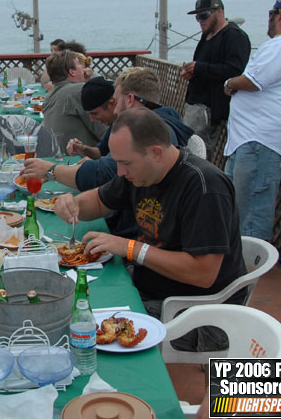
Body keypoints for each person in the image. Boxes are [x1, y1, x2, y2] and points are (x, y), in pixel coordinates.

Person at [54, 107, 246, 351]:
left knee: (80, 330)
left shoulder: (204, 187)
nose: (120, 172)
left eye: (125, 163)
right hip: (149, 287)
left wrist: (131, 248)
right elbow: (101, 202)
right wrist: (73, 204)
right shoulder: (142, 173)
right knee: (75, 302)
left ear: (156, 152)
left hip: (197, 314)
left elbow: (203, 273)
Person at [223, 0, 281, 241]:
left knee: (251, 212)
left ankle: (251, 270)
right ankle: (239, 263)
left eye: (271, 14)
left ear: (280, 14)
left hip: (260, 140)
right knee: (239, 207)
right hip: (251, 139)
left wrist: (229, 82)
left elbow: (253, 81)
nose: (269, 20)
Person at [23, 67, 194, 194]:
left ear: (129, 100)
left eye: (116, 100)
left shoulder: (152, 132)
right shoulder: (137, 125)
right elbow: (105, 165)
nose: (116, 109)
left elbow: (105, 174)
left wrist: (51, 170)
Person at [181, 0, 251, 161]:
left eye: (204, 15)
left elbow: (235, 70)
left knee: (199, 157)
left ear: (219, 11)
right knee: (187, 150)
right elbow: (206, 68)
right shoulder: (206, 36)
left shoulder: (234, 36)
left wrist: (200, 67)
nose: (200, 20)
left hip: (211, 110)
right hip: (195, 105)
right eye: (197, 16)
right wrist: (193, 72)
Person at [42, 50, 106, 154]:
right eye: (80, 64)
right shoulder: (80, 91)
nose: (84, 68)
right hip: (83, 160)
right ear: (72, 72)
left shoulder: (49, 96)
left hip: (59, 157)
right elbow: (105, 133)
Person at [65, 76, 117, 160]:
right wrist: (83, 148)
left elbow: (114, 166)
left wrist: (94, 165)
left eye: (95, 113)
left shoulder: (130, 125)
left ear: (111, 104)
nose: (92, 119)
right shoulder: (114, 124)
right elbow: (100, 152)